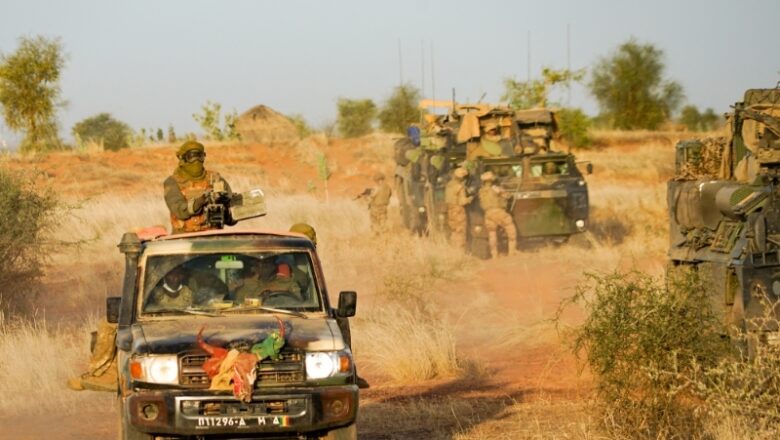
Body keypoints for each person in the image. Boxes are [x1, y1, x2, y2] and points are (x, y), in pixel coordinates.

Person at [164, 140, 233, 234]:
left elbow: (232, 216)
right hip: (184, 238)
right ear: (182, 159)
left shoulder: (216, 179)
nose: (196, 160)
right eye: (191, 157)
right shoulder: (172, 182)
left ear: (203, 157)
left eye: (199, 156)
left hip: (213, 236)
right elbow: (180, 211)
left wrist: (224, 205)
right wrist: (200, 201)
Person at [478, 171, 518, 258]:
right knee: (511, 231)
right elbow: (507, 196)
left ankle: (494, 255)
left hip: (488, 214)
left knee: (492, 234)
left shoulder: (481, 190)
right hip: (498, 212)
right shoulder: (495, 188)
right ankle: (512, 253)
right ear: (491, 180)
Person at [235, 257, 301, 304]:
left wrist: (279, 292)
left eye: (267, 262)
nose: (262, 265)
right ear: (254, 267)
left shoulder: (287, 283)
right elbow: (238, 306)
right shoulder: (246, 285)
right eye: (257, 263)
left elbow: (300, 305)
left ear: (274, 265)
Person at [445, 167, 473, 250]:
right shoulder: (460, 187)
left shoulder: (449, 185)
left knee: (454, 231)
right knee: (461, 232)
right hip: (458, 210)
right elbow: (462, 202)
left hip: (450, 210)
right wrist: (470, 199)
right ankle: (460, 251)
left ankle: (454, 251)